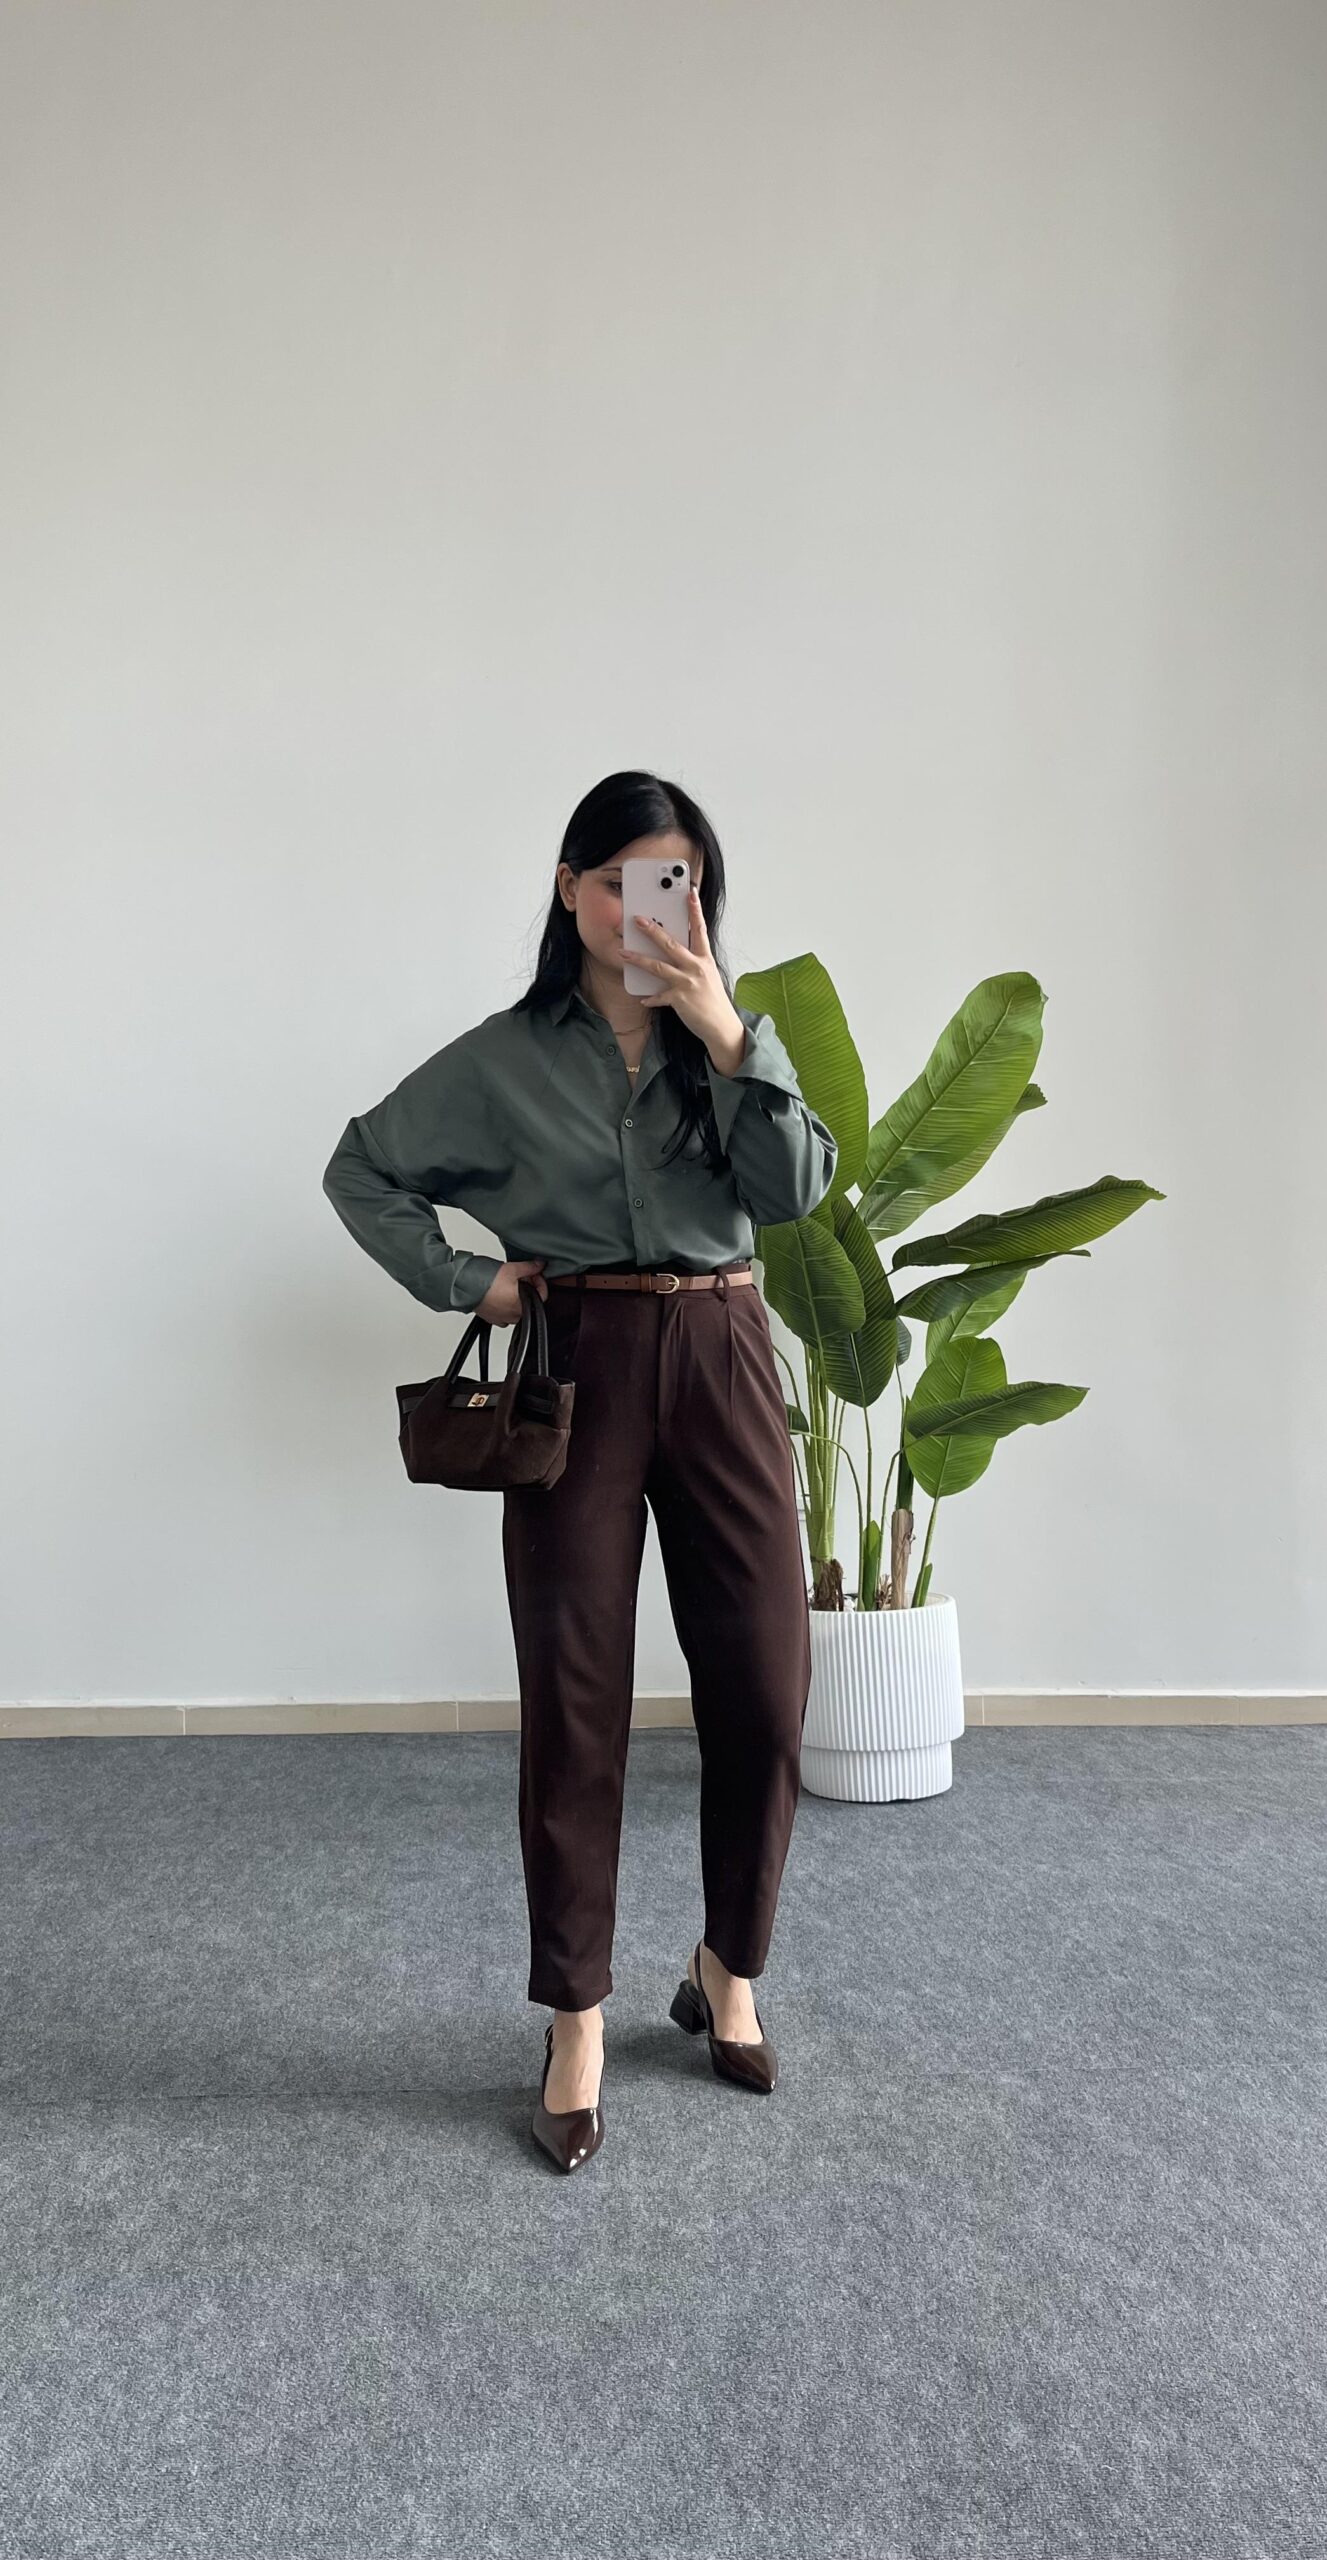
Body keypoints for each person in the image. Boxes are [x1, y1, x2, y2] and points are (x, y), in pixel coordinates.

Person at [322, 769, 839, 2172]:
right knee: (575, 1697)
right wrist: (473, 1282)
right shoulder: (502, 1059)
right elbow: (362, 1168)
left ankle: (728, 1967)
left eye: (673, 884)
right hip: (580, 1364)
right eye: (618, 882)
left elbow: (795, 1193)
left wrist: (726, 1030)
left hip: (723, 1349)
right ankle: (576, 2015)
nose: (641, 910)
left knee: (766, 1687)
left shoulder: (730, 1044)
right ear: (569, 888)